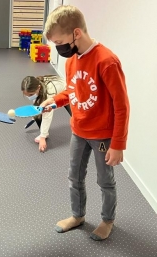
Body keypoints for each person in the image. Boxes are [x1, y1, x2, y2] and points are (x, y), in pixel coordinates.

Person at [41, 5, 130, 241]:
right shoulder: (71, 61)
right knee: (74, 177)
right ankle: (77, 215)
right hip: (78, 130)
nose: (58, 48)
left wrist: (118, 143)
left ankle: (107, 220)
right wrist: (56, 100)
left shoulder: (107, 61)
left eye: (60, 41)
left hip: (102, 135)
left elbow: (121, 106)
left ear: (76, 33)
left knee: (105, 180)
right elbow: (73, 90)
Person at [21, 75, 71, 152]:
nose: (29, 97)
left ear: (38, 88)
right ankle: (44, 132)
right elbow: (37, 103)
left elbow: (47, 116)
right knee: (39, 111)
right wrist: (35, 115)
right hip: (56, 93)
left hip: (68, 93)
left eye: (31, 95)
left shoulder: (49, 92)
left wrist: (42, 138)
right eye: (27, 95)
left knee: (76, 117)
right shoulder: (37, 86)